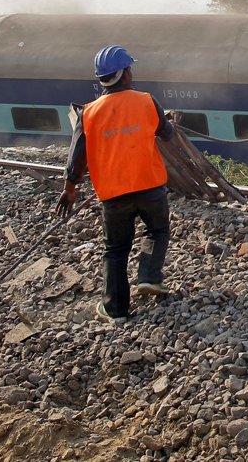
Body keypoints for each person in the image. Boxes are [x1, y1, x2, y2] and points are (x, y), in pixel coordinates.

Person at [56, 45, 175, 324]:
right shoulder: (146, 101)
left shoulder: (88, 113)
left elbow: (77, 156)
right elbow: (167, 135)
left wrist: (69, 189)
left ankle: (116, 309)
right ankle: (149, 277)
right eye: (130, 68)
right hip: (150, 186)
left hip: (114, 194)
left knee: (116, 249)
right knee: (157, 230)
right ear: (125, 74)